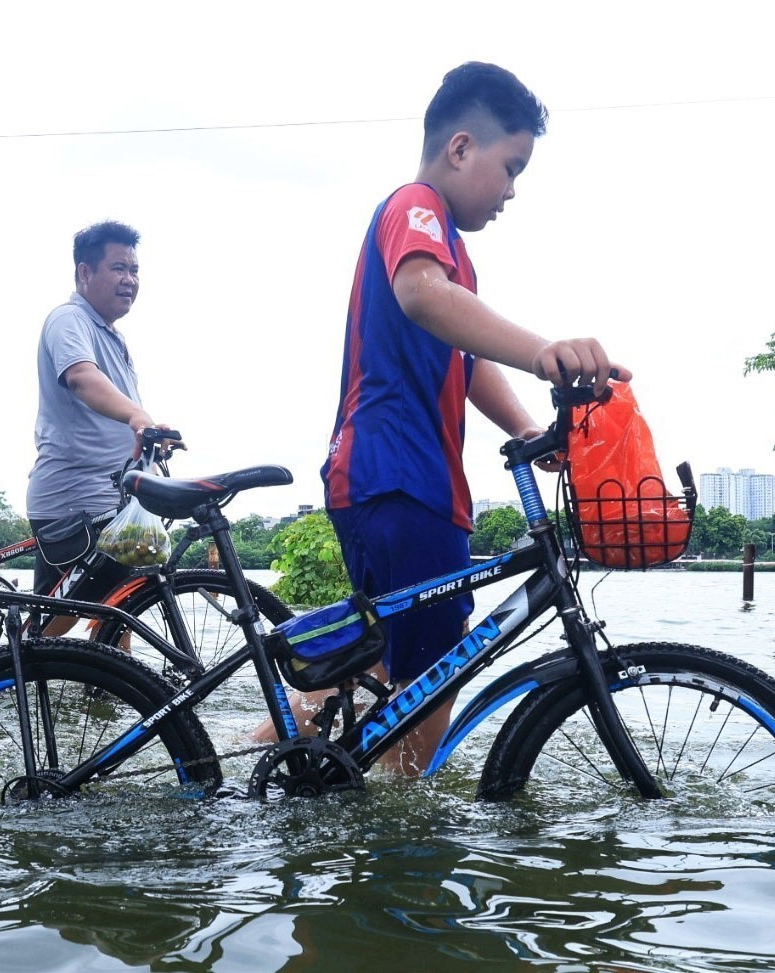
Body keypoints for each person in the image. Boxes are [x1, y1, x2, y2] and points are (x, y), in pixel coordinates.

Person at [263, 62, 631, 773]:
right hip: (401, 477)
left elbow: (464, 358)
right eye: (511, 167)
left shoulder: (450, 251)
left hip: (391, 478)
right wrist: (544, 351)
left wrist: (526, 429)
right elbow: (423, 296)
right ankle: (406, 830)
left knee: (381, 662)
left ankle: (261, 772)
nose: (512, 190)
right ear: (461, 147)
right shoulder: (418, 208)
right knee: (433, 674)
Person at [25, 220, 171, 611]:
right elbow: (81, 378)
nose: (130, 280)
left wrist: (150, 436)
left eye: (135, 270)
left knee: (117, 609)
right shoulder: (69, 320)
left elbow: (114, 407)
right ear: (85, 273)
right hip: (75, 501)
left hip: (109, 499)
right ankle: (11, 654)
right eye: (119, 268)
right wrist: (138, 417)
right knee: (69, 613)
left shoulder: (113, 336)